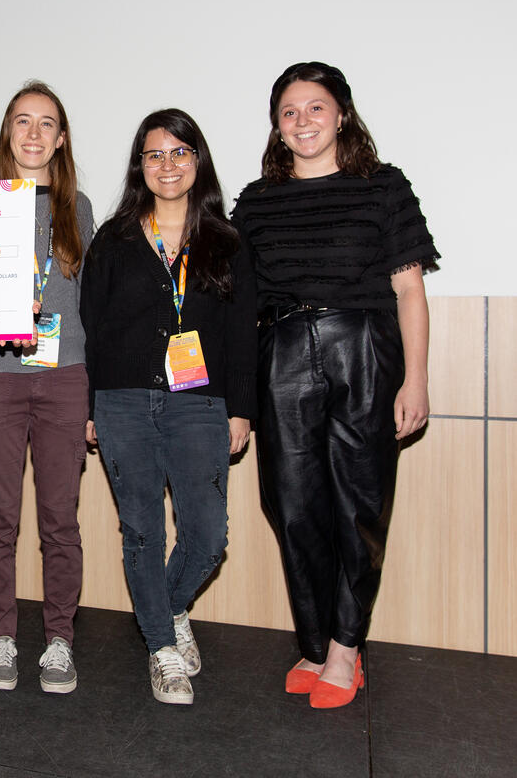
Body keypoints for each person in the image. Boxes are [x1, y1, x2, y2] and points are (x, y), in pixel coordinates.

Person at [232, 62, 438, 709]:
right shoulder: (256, 202)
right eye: (289, 111)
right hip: (282, 351)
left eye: (315, 108)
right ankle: (316, 641)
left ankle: (347, 648)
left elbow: (409, 289)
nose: (302, 122)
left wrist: (417, 378)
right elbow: (240, 304)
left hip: (365, 351)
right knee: (290, 505)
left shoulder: (383, 187)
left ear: (341, 113)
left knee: (359, 504)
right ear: (276, 124)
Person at [81, 109, 256, 706]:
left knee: (208, 536)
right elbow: (92, 328)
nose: (167, 165)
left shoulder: (227, 242)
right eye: (154, 154)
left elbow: (241, 335)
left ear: (198, 162)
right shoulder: (116, 237)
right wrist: (89, 405)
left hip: (199, 403)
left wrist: (242, 410)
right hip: (123, 401)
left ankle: (168, 609)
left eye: (179, 152)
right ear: (140, 166)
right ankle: (161, 647)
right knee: (142, 531)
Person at [0, 82, 93, 694]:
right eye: (22, 121)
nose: (33, 134)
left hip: (66, 378)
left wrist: (95, 396)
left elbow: (93, 309)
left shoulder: (82, 209)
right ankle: (1, 637)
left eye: (47, 123)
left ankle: (58, 641)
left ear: (61, 137)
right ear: (7, 133)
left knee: (59, 520)